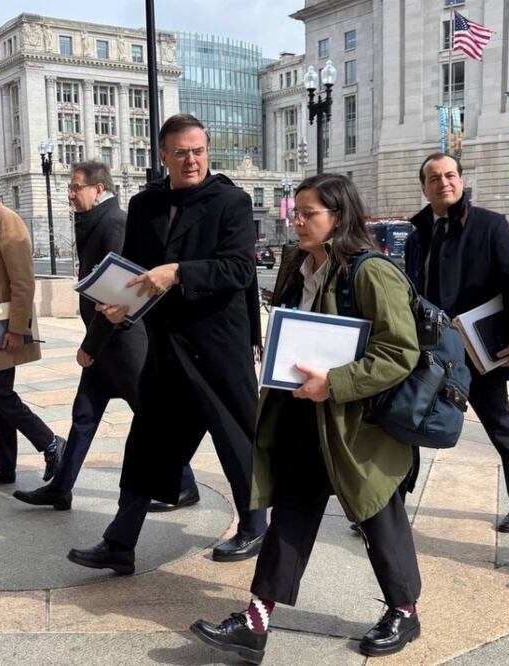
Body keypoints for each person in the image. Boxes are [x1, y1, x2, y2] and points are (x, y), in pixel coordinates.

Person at [190, 174, 424, 663]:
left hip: (356, 425)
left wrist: (335, 384)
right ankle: (256, 622)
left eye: (308, 213)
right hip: (302, 414)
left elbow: (399, 351)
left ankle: (404, 610)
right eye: (295, 211)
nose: (296, 221)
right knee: (291, 515)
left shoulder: (371, 272)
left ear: (337, 217)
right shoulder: (297, 264)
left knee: (378, 513)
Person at [67, 113, 267, 574]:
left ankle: (254, 524)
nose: (191, 160)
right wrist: (111, 318)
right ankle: (120, 543)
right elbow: (130, 274)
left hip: (219, 346)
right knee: (147, 446)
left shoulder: (231, 201)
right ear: (163, 156)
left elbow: (238, 270)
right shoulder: (145, 206)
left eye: (198, 151)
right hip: (166, 349)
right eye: (181, 152)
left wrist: (178, 272)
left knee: (235, 439)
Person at [12, 161, 197, 509]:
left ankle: (185, 483)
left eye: (75, 187)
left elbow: (118, 292)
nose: (70, 193)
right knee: (83, 415)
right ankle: (61, 488)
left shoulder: (114, 222)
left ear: (98, 189)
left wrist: (90, 345)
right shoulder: (95, 221)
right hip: (105, 345)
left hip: (123, 344)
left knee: (151, 418)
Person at [404, 153, 509, 533]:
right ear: (425, 187)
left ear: (461, 181)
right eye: (434, 177)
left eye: (450, 175)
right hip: (429, 350)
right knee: (405, 421)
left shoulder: (489, 225)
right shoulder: (418, 234)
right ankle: (392, 504)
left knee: (500, 425)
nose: (443, 182)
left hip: (480, 350)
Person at [0, 160, 65, 488]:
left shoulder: (7, 221)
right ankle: (4, 466)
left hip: (4, 325)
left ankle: (50, 443)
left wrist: (19, 329)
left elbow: (23, 281)